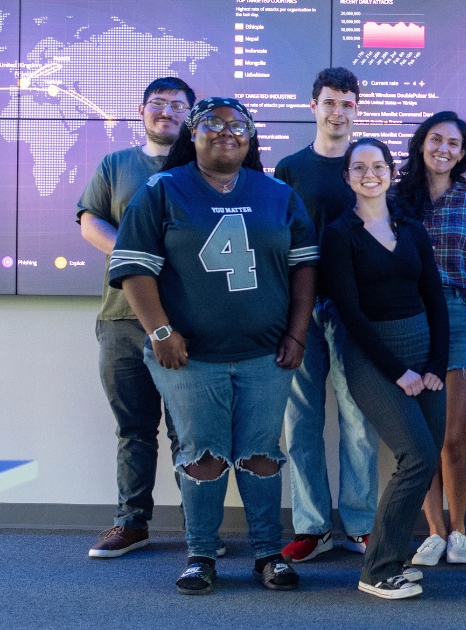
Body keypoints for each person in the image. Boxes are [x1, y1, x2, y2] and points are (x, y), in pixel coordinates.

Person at [109, 97, 318, 595]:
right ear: (193, 134)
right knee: (203, 454)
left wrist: (297, 333)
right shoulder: (162, 190)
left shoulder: (277, 193)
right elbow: (135, 269)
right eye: (212, 124)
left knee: (261, 454)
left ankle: (268, 554)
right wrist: (160, 331)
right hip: (190, 358)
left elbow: (304, 266)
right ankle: (201, 555)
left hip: (266, 356)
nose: (227, 132)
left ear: (251, 137)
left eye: (238, 125)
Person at [320, 138, 449, 600]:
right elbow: (350, 314)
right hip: (374, 358)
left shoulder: (411, 228)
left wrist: (435, 364)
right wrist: (399, 371)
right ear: (348, 177)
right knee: (415, 455)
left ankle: (392, 558)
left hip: (423, 355)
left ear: (392, 173)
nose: (369, 174)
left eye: (378, 166)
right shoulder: (339, 234)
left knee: (427, 455)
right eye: (359, 167)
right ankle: (376, 571)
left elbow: (435, 298)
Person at [78, 77, 196, 559]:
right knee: (134, 427)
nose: (166, 111)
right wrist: (137, 258)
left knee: (188, 430)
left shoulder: (201, 166)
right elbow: (90, 222)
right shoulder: (116, 164)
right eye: (158, 104)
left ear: (189, 114)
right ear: (142, 110)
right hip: (122, 321)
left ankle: (200, 528)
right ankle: (132, 523)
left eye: (177, 105)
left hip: (186, 320)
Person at [388, 112, 466, 566]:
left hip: (462, 319)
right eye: (436, 139)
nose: (444, 149)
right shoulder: (397, 199)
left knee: (454, 436)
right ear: (421, 144)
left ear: (463, 152)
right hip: (410, 320)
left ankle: (459, 531)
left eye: (454, 144)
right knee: (422, 439)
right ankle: (433, 531)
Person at [277, 68, 380, 563]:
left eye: (348, 104)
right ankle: (312, 526)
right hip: (300, 310)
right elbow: (279, 240)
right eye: (330, 103)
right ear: (313, 105)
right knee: (301, 422)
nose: (338, 113)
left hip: (355, 310)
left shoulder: (367, 166)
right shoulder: (290, 168)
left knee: (358, 420)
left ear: (356, 110)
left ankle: (361, 523)